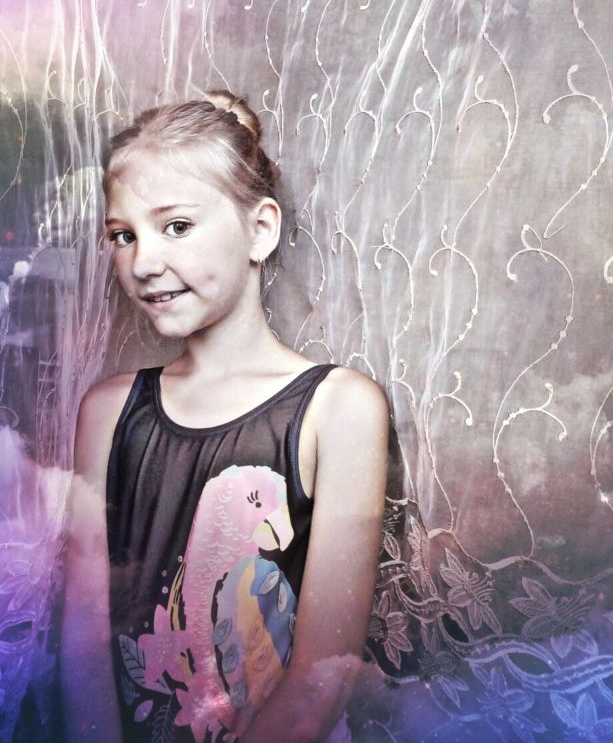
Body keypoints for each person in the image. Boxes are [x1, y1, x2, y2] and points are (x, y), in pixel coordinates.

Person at [60, 91, 389, 743]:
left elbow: (321, 682)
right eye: (124, 235)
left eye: (177, 226)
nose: (142, 262)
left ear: (260, 230)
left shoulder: (340, 408)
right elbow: (83, 648)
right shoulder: (107, 411)